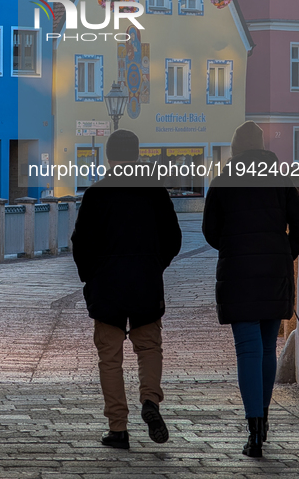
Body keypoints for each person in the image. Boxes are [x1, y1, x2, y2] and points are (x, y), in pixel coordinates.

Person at [202, 120, 299, 458]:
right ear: (262, 147)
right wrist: (285, 252)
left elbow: (210, 230)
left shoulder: (223, 181)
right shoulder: (279, 179)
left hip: (238, 275)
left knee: (248, 350)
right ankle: (262, 423)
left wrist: (233, 247)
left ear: (236, 148)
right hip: (274, 273)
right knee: (266, 349)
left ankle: (253, 431)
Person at [71, 129, 182, 449]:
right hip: (146, 284)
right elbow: (174, 238)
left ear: (109, 157)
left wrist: (91, 277)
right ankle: (150, 401)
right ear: (136, 155)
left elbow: (80, 243)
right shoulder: (155, 192)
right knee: (149, 347)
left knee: (110, 357)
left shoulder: (96, 194)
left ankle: (118, 428)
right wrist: (155, 266)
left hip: (107, 287)